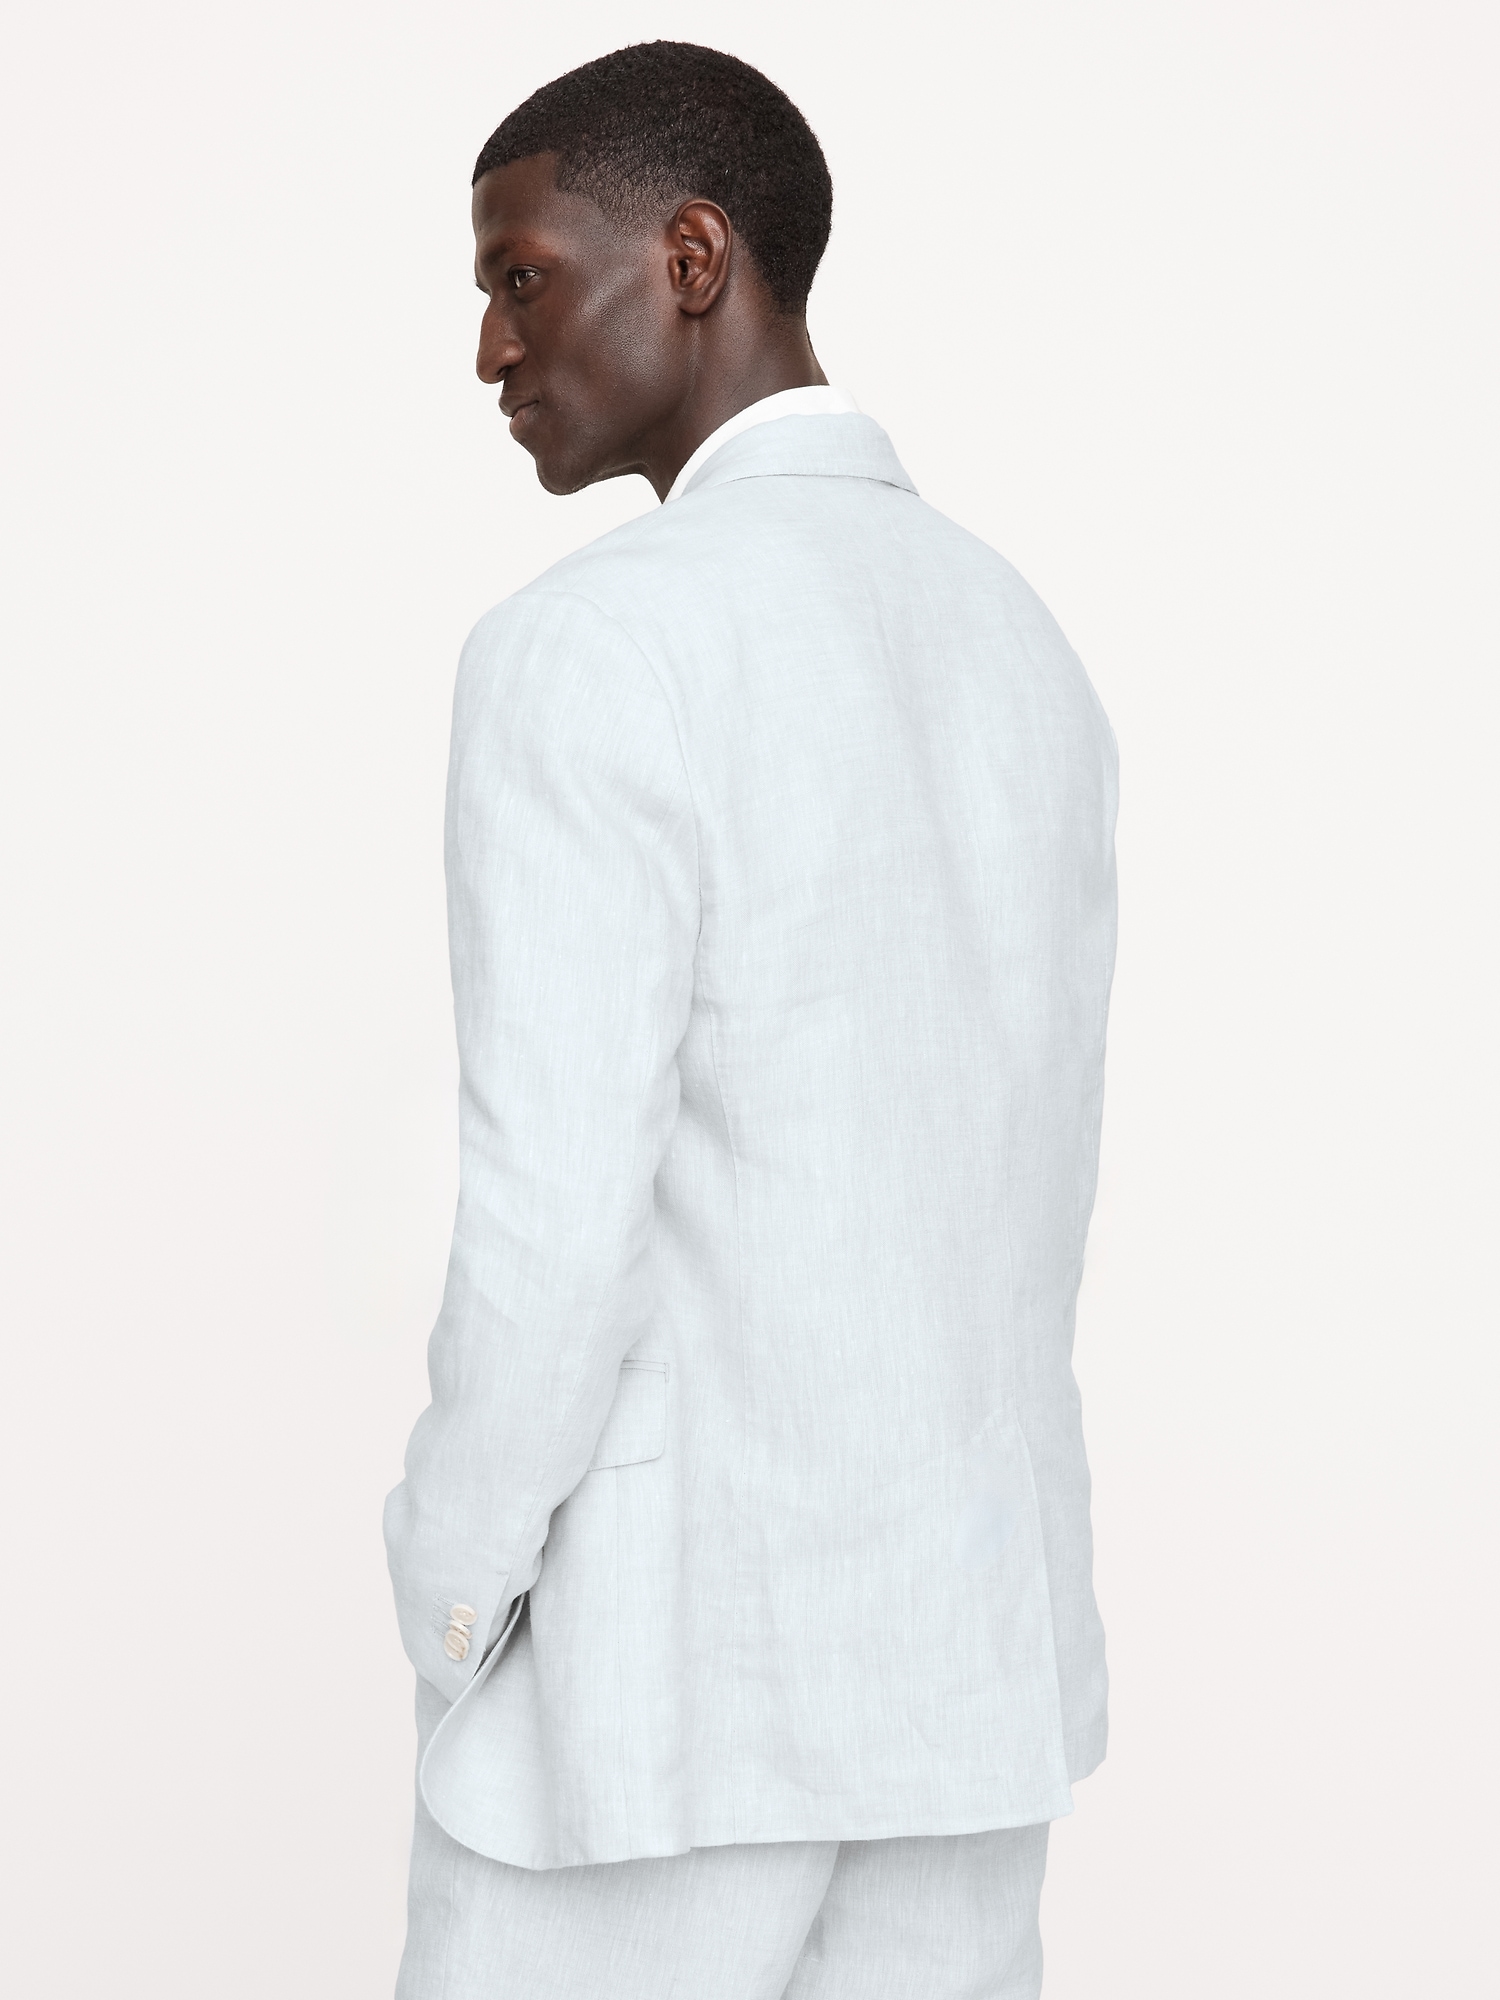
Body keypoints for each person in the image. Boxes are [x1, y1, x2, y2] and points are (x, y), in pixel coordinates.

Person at [384, 39, 1118, 2000]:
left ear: (693, 255)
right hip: (967, 1679)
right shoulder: (1018, 641)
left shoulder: (591, 645)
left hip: (660, 1702)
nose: (490, 346)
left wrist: (450, 1583)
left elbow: (551, 1228)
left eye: (522, 275)